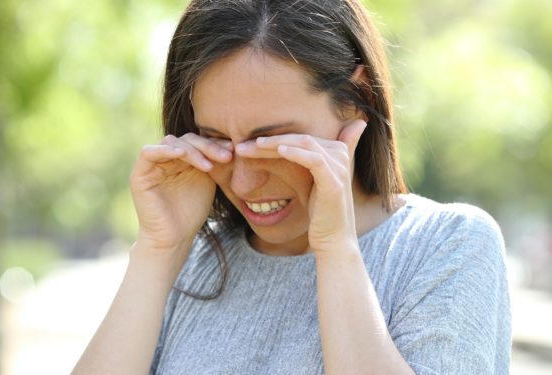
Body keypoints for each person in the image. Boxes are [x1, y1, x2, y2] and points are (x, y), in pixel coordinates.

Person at [73, 0, 511, 374]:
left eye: (272, 142)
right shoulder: (193, 263)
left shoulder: (448, 245)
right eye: (218, 140)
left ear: (359, 99)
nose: (243, 181)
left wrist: (336, 252)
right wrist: (158, 252)